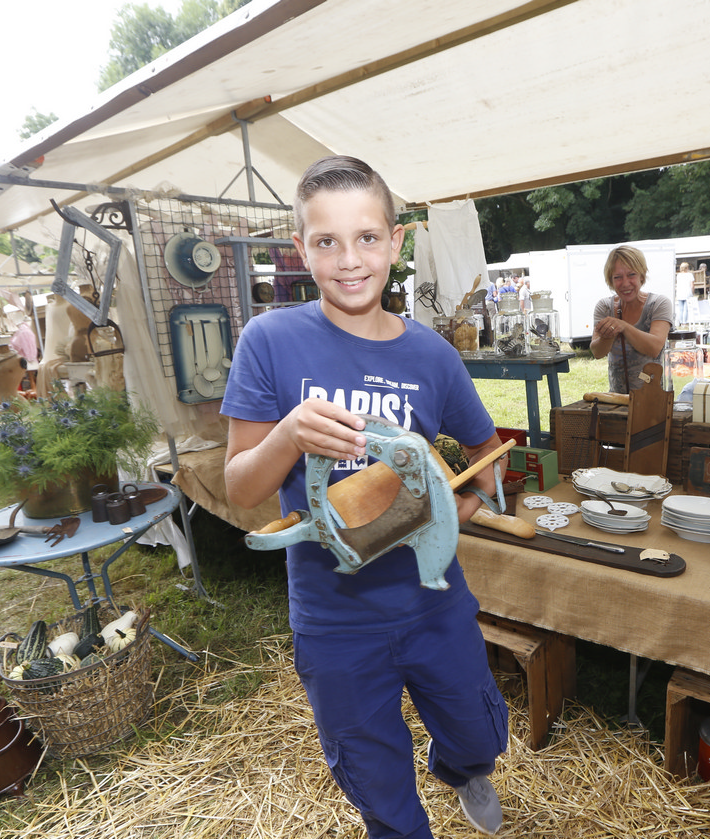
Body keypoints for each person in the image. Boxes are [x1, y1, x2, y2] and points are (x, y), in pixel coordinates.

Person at [221, 155, 509, 839]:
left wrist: (461, 508)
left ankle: (463, 766)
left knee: (478, 730)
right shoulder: (270, 341)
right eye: (327, 241)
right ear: (302, 249)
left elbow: (487, 459)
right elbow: (241, 490)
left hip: (432, 598)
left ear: (396, 242)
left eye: (368, 237)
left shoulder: (432, 355)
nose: (349, 260)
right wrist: (289, 434)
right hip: (336, 616)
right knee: (374, 775)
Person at [590, 245, 672, 393]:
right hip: (617, 399)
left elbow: (654, 348)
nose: (625, 283)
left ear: (642, 276)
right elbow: (597, 352)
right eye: (618, 277)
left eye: (631, 275)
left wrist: (623, 326)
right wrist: (608, 335)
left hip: (654, 398)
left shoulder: (659, 304)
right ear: (610, 280)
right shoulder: (605, 307)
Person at [674, 260, 695, 326]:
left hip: (680, 293)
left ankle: (681, 322)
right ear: (687, 268)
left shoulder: (678, 275)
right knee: (686, 309)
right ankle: (684, 322)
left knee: (681, 309)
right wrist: (692, 293)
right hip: (687, 293)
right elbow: (692, 285)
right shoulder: (690, 275)